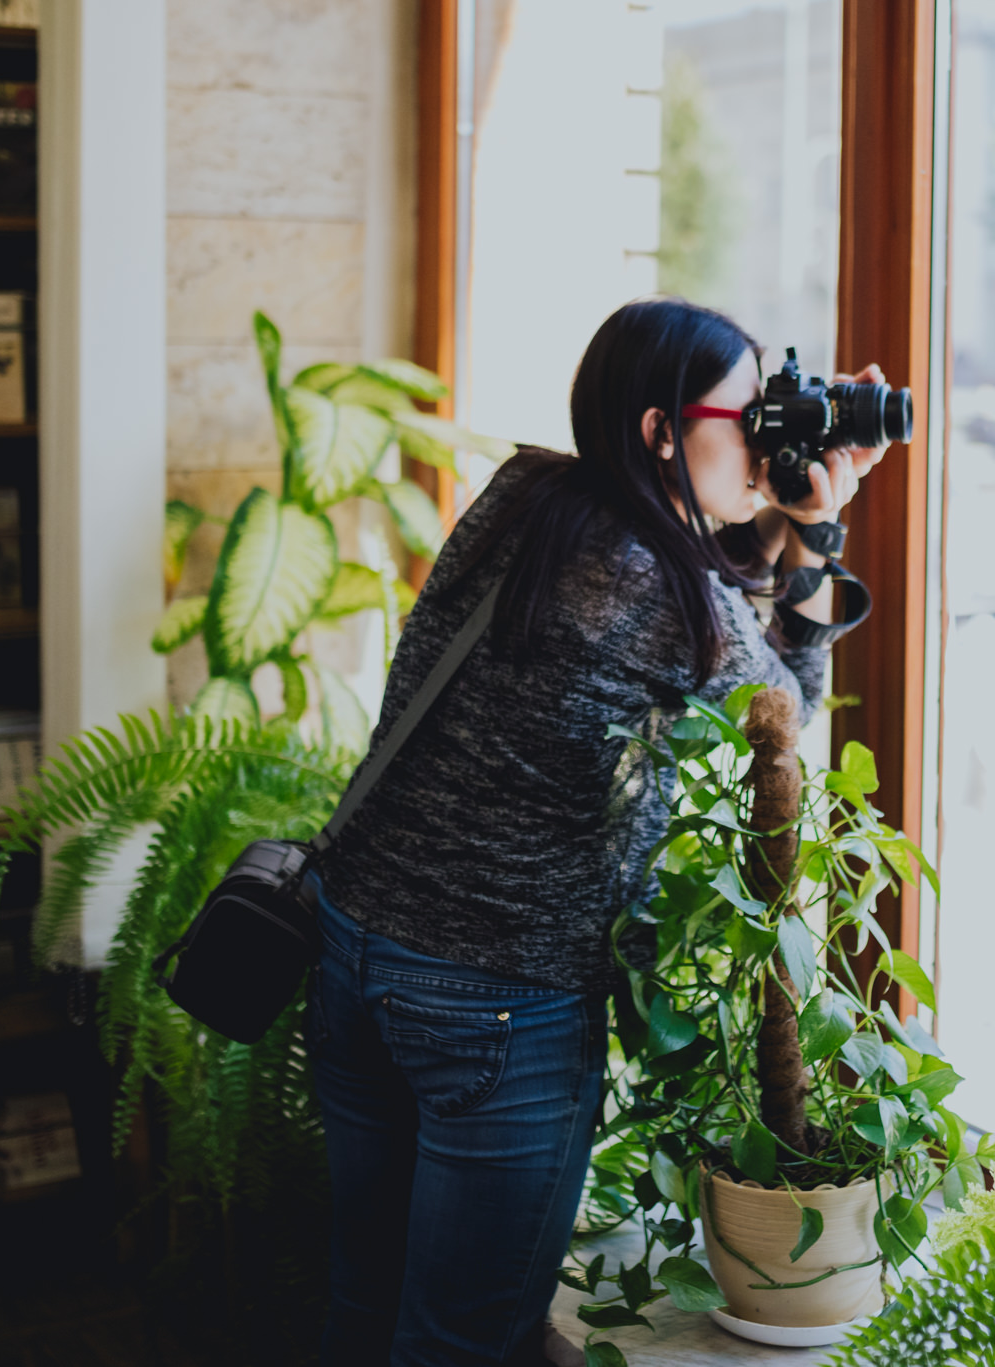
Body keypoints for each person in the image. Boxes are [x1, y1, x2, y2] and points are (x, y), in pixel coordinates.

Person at [305, 297, 890, 1366]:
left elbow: (685, 586)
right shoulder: (653, 589)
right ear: (663, 430)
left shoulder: (527, 496)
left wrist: (771, 516)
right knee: (458, 1341)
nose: (764, 439)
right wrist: (816, 529)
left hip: (353, 946)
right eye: (747, 413)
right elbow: (779, 712)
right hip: (493, 998)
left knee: (363, 1301)